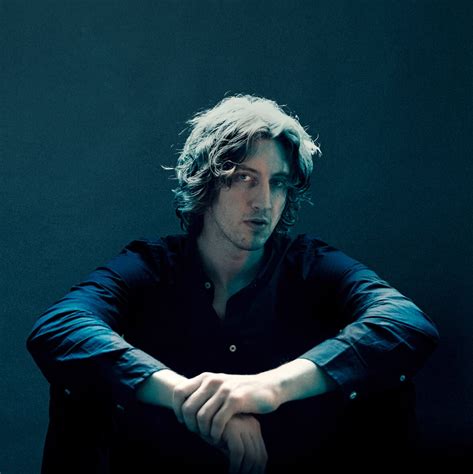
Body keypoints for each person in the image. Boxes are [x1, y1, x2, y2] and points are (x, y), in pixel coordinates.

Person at [27, 94, 439, 474]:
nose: (264, 201)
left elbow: (406, 323)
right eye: (245, 178)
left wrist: (267, 388)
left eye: (278, 182)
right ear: (206, 183)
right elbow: (59, 328)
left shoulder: (310, 264)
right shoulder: (151, 266)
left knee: (386, 377)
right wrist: (191, 398)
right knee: (79, 383)